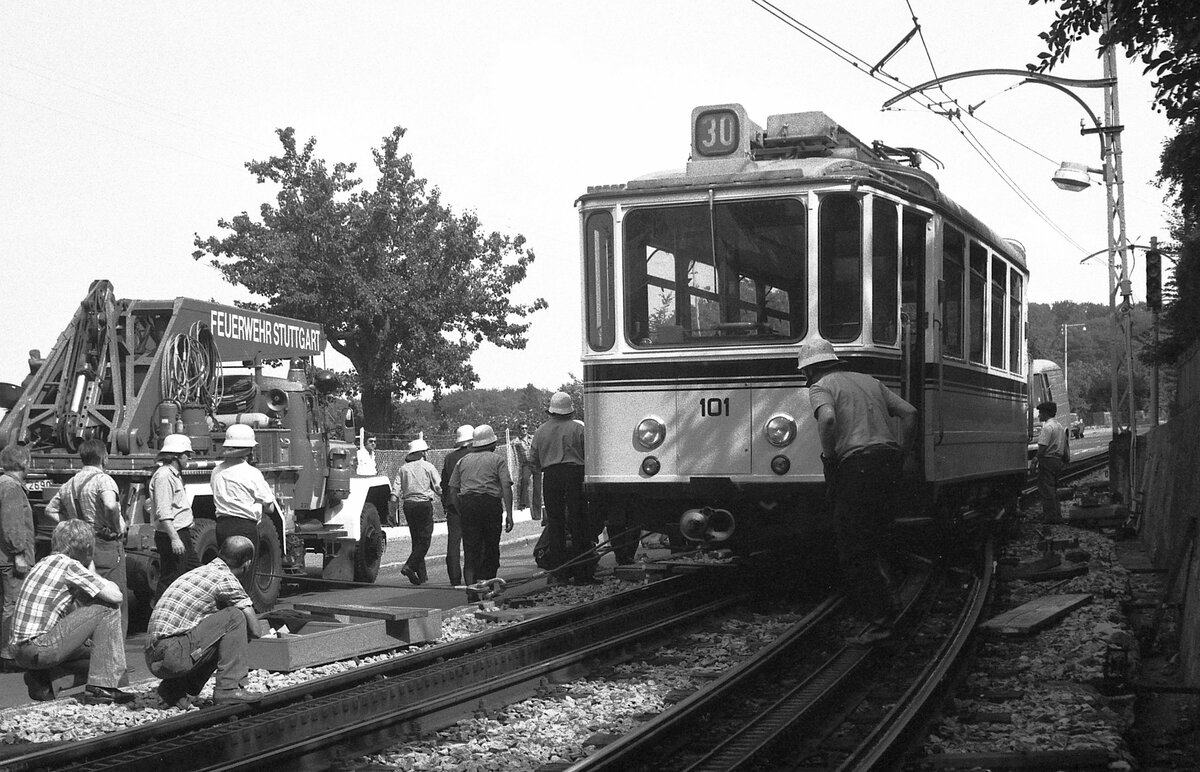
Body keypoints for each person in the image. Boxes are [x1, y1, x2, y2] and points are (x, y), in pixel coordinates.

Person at [798, 338, 918, 647]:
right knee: (878, 539)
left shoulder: (821, 387)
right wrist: (904, 452)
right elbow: (910, 413)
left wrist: (829, 457)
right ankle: (892, 609)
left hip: (857, 467)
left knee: (854, 548)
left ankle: (881, 623)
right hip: (888, 463)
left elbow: (826, 419)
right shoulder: (870, 382)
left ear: (810, 370)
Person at [9, 520, 134, 704]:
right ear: (87, 547)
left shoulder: (45, 561)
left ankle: (47, 681)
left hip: (20, 650)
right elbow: (115, 596)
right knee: (108, 609)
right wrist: (92, 570)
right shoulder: (69, 566)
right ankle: (101, 689)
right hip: (40, 646)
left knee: (103, 654)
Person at [145, 535, 262, 707]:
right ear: (247, 563)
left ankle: (175, 688)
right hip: (171, 653)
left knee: (224, 631)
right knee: (236, 617)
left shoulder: (202, 571)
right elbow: (255, 630)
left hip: (154, 655)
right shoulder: (225, 578)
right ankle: (228, 689)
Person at [44, 438, 129, 640]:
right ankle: (115, 653)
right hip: (105, 543)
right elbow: (110, 505)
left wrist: (74, 527)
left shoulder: (70, 484)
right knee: (115, 597)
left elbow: (50, 509)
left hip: (81, 546)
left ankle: (87, 647)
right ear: (104, 457)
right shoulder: (104, 480)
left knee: (86, 596)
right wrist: (116, 528)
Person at [529, 392, 592, 584]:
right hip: (575, 475)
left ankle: (560, 573)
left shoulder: (540, 431)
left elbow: (534, 461)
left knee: (555, 525)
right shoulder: (578, 428)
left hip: (551, 477)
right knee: (578, 522)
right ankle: (583, 573)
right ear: (570, 410)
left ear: (551, 411)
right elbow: (590, 454)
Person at [448, 425, 514, 599]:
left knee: (471, 550)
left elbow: (453, 489)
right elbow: (506, 486)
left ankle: (472, 592)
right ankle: (489, 590)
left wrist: (459, 508)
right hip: (490, 504)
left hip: (468, 505)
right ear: (492, 443)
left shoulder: (462, 461)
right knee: (491, 547)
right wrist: (509, 513)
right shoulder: (497, 460)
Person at [211, 424, 277, 598]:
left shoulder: (216, 471)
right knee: (244, 578)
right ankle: (241, 617)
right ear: (249, 450)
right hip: (244, 527)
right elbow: (269, 507)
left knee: (226, 574)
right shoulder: (251, 473)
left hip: (222, 526)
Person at [149, 434, 196, 601]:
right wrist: (175, 539)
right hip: (172, 534)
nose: (189, 458)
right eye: (186, 455)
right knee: (171, 579)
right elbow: (164, 512)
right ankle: (159, 614)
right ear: (176, 456)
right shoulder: (164, 476)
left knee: (194, 573)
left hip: (181, 533)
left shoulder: (173, 474)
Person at [1, 445, 35, 666]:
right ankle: (8, 655)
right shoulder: (12, 487)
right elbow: (12, 524)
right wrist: (19, 554)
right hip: (10, 558)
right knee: (14, 604)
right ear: (22, 463)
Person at [391, 438, 441, 585]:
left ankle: (422, 576)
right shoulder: (428, 467)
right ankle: (409, 566)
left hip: (408, 506)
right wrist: (447, 499)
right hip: (424, 505)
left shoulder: (403, 469)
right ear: (422, 453)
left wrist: (391, 513)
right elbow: (438, 487)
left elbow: (394, 494)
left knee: (416, 539)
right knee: (425, 540)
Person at [439, 425, 474, 587]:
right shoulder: (475, 455)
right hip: (471, 501)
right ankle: (472, 575)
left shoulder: (449, 458)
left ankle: (454, 577)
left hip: (454, 504)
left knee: (453, 542)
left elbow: (444, 483)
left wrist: (446, 503)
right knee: (472, 541)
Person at [1034, 401, 1070, 523]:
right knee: (1053, 490)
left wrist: (1034, 460)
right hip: (1057, 461)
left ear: (1046, 413)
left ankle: (1050, 517)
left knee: (1046, 490)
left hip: (1047, 461)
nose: (1039, 415)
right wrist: (1065, 460)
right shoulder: (1060, 427)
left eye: (1040, 413)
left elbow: (1043, 447)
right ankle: (1057, 515)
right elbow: (1065, 447)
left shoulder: (1047, 428)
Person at [512, 424, 542, 520]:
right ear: (519, 430)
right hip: (526, 464)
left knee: (537, 486)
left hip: (536, 463)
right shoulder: (517, 441)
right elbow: (512, 445)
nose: (524, 430)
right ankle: (523, 504)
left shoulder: (532, 438)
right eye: (522, 428)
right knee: (524, 480)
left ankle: (537, 513)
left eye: (526, 428)